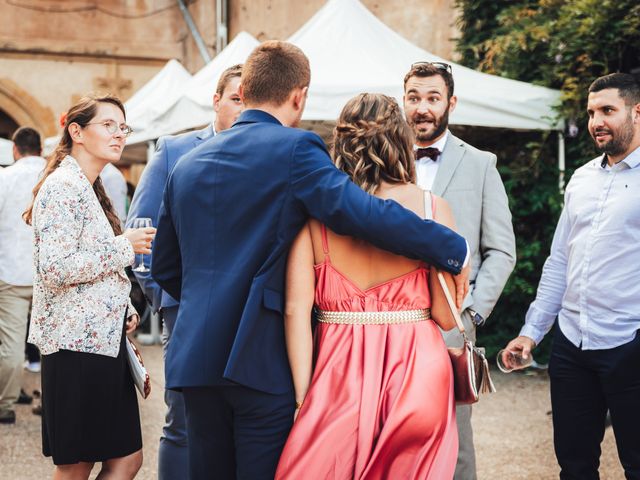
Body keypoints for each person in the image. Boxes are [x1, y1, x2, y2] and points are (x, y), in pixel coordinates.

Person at [153, 40, 470, 480]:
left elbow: (165, 265)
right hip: (260, 359)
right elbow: (362, 213)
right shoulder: (296, 149)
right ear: (299, 95)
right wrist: (451, 247)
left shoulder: (186, 163)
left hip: (195, 357)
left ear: (242, 91)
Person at [275, 93, 459, 479]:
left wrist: (303, 396)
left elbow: (295, 310)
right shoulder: (432, 209)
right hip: (417, 369)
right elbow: (445, 317)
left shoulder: (315, 218)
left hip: (337, 373)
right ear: (401, 141)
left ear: (341, 143)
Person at [503, 72, 640, 479]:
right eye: (592, 112)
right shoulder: (580, 179)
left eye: (607, 111)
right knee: (574, 466)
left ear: (637, 111)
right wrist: (532, 332)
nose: (597, 120)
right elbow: (559, 261)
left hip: (630, 342)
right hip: (572, 344)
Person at [24, 94, 155, 479]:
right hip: (74, 348)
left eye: (123, 127)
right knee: (75, 468)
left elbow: (90, 270)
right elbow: (54, 268)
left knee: (127, 459)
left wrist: (126, 311)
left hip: (101, 342)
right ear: (76, 132)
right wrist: (123, 245)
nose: (119, 135)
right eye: (109, 125)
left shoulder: (90, 186)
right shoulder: (63, 186)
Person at [126, 63, 243, 480]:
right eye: (235, 98)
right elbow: (140, 231)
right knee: (182, 421)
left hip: (249, 313)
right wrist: (169, 301)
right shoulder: (175, 150)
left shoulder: (263, 154)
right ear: (216, 100)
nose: (242, 108)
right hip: (187, 310)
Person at [403, 61, 516, 479]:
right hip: (392, 322)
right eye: (414, 98)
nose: (422, 108)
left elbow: (502, 250)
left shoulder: (481, 163)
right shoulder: (385, 159)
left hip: (453, 323)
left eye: (433, 98)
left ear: (451, 103)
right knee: (397, 433)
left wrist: (472, 314)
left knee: (456, 441)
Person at [0, 127, 46, 424]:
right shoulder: (53, 176)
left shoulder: (4, 178)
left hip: (11, 271)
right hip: (48, 273)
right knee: (51, 343)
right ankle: (50, 400)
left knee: (12, 343)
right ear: (40, 149)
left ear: (15, 150)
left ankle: (6, 402)